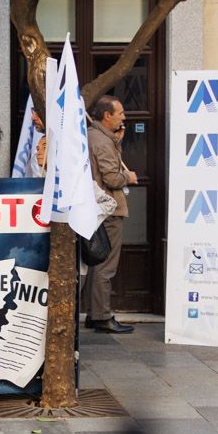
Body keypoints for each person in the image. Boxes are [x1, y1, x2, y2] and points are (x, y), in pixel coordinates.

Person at [85, 96, 136, 335]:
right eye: (120, 113)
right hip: (109, 210)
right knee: (106, 267)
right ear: (107, 116)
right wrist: (130, 178)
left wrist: (117, 143)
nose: (124, 117)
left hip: (99, 209)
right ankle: (102, 317)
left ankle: (95, 314)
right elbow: (113, 177)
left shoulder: (99, 138)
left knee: (98, 265)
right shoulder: (101, 141)